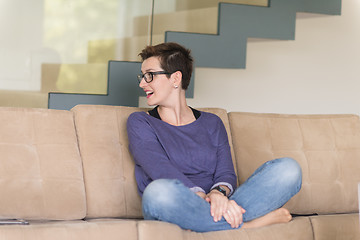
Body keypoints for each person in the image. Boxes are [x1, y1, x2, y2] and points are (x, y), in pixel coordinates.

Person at [126, 42, 302, 232]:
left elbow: (226, 173)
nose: (142, 83)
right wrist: (205, 198)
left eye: (149, 75)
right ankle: (248, 226)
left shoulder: (212, 123)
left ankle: (214, 224)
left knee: (288, 169)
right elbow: (159, 168)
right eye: (143, 76)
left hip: (218, 202)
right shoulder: (140, 122)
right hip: (176, 205)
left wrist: (218, 194)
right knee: (158, 192)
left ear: (175, 78)